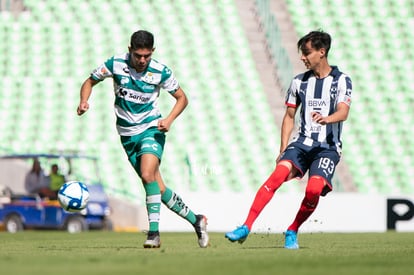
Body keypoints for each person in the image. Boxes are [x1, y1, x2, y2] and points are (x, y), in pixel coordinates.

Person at [77, 30, 209, 248]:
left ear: (152, 52)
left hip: (151, 129)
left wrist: (169, 119)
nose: (142, 60)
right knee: (158, 188)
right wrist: (84, 101)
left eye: (146, 56)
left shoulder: (160, 71)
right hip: (127, 136)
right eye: (138, 55)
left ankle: (154, 234)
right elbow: (89, 82)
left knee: (147, 175)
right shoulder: (115, 63)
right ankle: (197, 220)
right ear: (130, 50)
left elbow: (182, 98)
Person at [225, 30, 352, 249]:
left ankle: (292, 230)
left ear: (322, 52)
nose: (302, 57)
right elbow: (289, 116)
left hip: (327, 148)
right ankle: (245, 226)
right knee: (277, 175)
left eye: (307, 52)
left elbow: (344, 112)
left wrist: (326, 119)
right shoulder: (298, 82)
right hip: (301, 144)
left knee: (313, 190)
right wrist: (283, 148)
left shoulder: (341, 81)